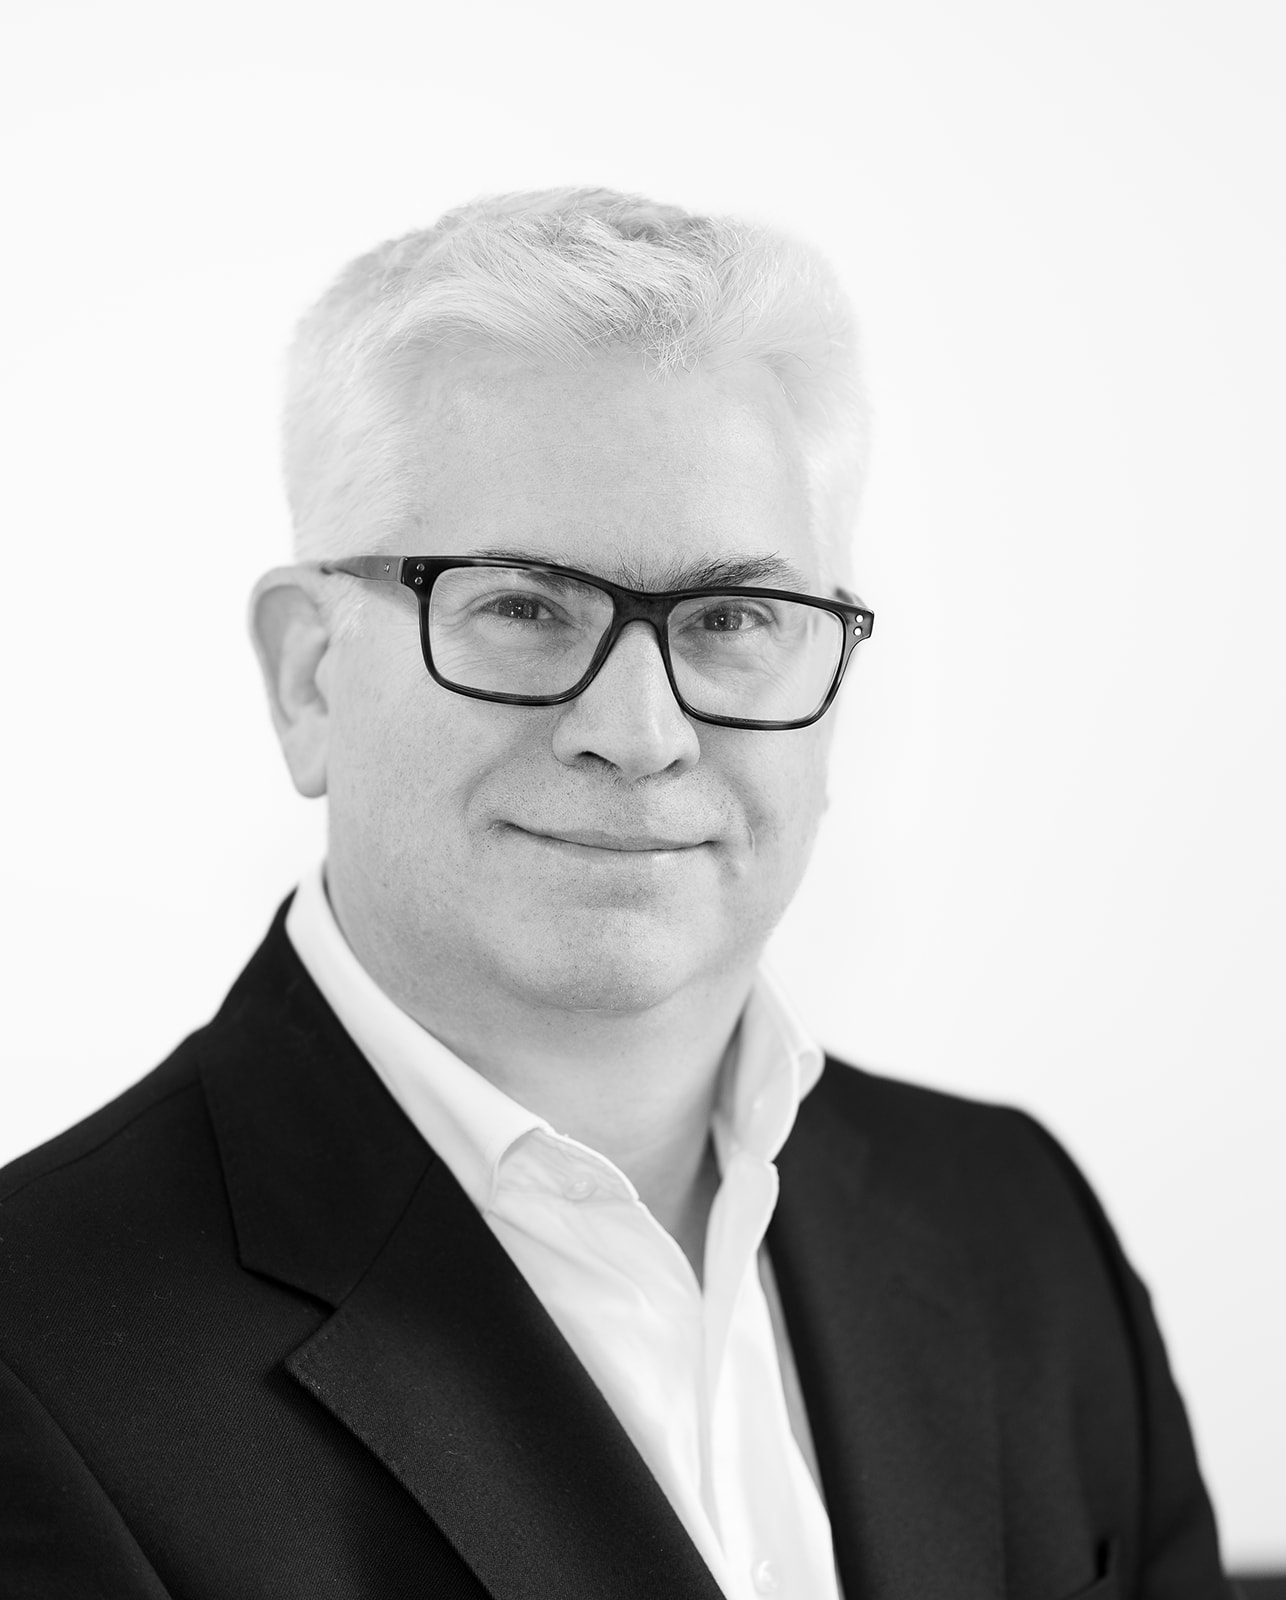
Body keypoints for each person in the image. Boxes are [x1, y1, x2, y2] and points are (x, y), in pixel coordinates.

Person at [0, 188, 1230, 1600]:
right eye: (523, 607)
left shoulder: (1013, 1223)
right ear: (308, 676)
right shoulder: (36, 1365)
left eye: (728, 621)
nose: (639, 731)